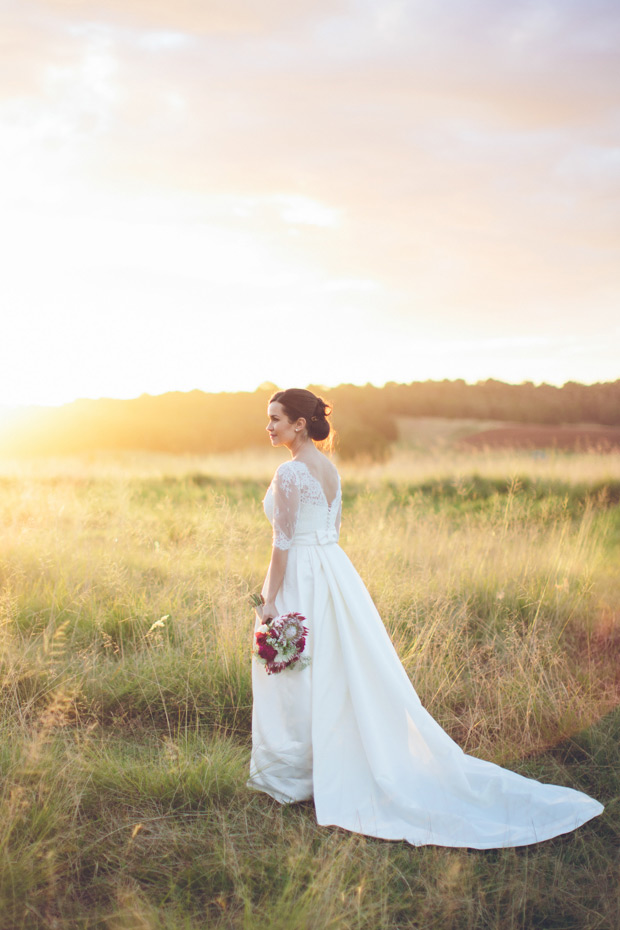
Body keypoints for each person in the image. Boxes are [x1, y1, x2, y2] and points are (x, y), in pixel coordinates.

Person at [247, 388, 604, 848]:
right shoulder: (330, 469)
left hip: (302, 577)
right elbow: (331, 533)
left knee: (296, 670)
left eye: (276, 418)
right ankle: (319, 768)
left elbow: (282, 544)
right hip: (335, 577)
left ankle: (294, 780)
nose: (269, 426)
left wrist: (267, 600)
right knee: (333, 672)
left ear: (299, 424)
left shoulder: (291, 471)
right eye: (268, 418)